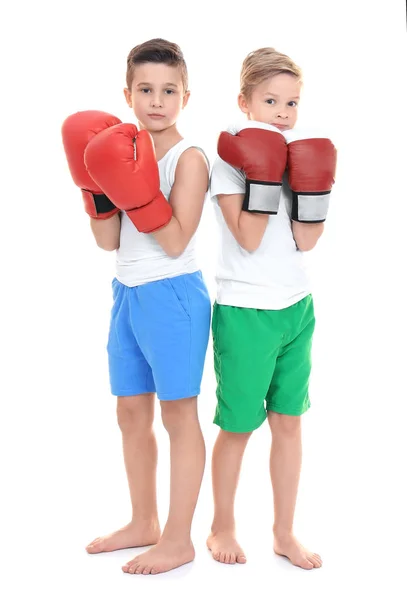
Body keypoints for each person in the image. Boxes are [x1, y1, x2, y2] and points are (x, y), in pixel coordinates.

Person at [62, 38, 211, 575]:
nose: (156, 101)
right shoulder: (120, 150)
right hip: (126, 293)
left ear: (185, 97)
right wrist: (98, 186)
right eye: (145, 89)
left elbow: (174, 241)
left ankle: (178, 538)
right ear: (127, 94)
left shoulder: (188, 159)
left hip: (173, 296)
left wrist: (135, 189)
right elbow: (108, 242)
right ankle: (143, 520)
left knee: (178, 414)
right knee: (129, 412)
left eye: (168, 90)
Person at [207, 46, 336, 569]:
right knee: (238, 425)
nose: (284, 112)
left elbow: (306, 241)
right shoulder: (229, 160)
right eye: (271, 100)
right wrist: (263, 174)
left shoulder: (300, 155)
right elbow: (249, 237)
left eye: (292, 102)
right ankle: (222, 526)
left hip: (296, 306)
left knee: (289, 422)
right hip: (245, 310)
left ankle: (284, 532)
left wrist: (311, 186)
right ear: (245, 101)